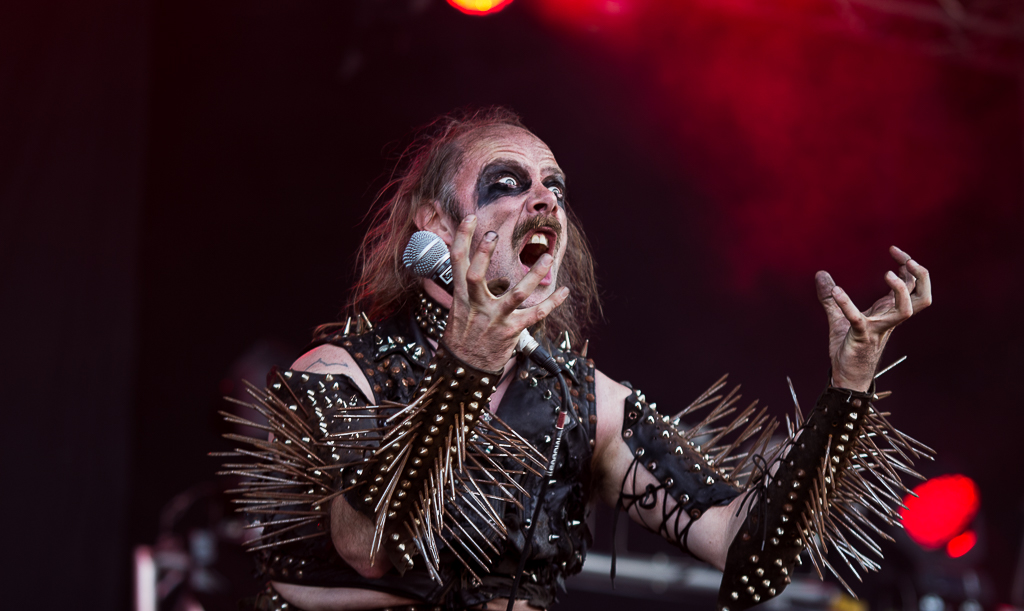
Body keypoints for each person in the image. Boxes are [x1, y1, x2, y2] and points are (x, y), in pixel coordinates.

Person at [221, 107, 933, 611]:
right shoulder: (339, 373)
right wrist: (467, 363)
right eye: (507, 183)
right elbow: (369, 547)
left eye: (554, 187)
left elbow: (747, 554)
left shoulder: (578, 399)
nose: (544, 201)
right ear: (434, 224)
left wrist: (848, 389)